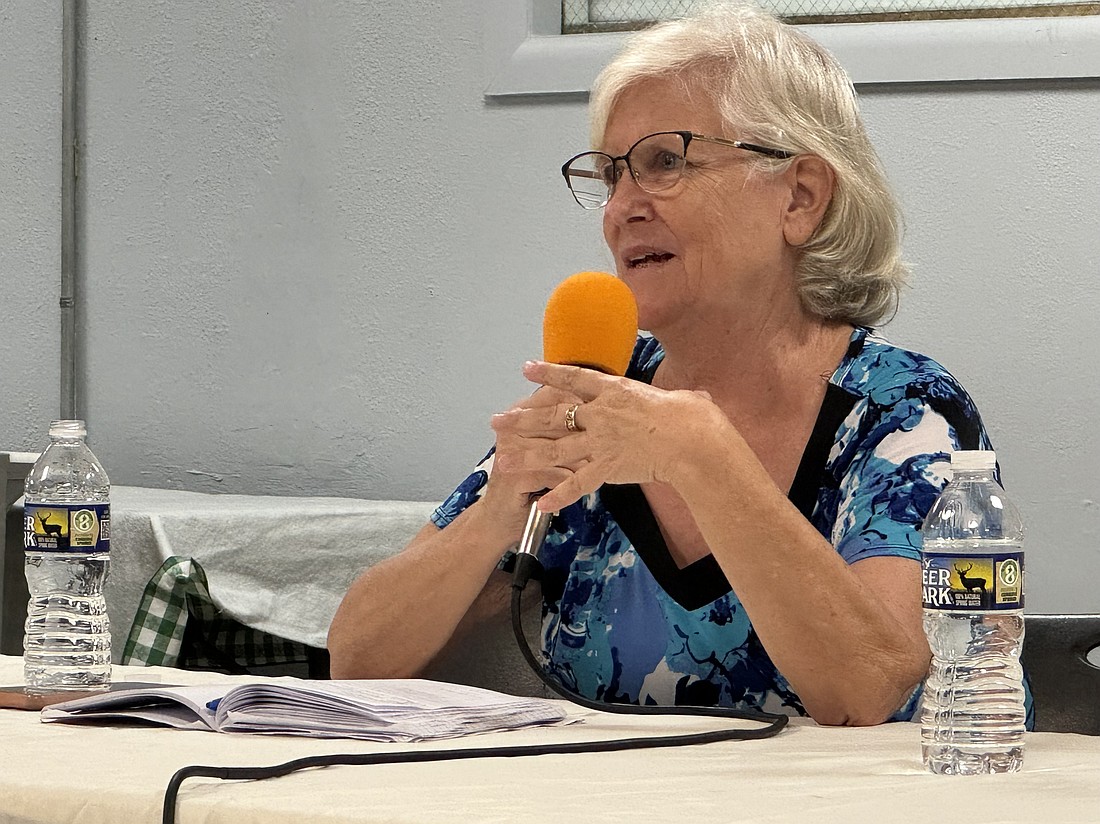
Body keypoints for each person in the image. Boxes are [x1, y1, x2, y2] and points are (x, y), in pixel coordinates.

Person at [328, 0, 994, 726]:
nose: (622, 208)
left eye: (664, 162)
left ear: (800, 197)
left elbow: (868, 691)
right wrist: (497, 511)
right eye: (611, 176)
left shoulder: (902, 413)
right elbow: (358, 661)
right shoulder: (604, 393)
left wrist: (704, 458)